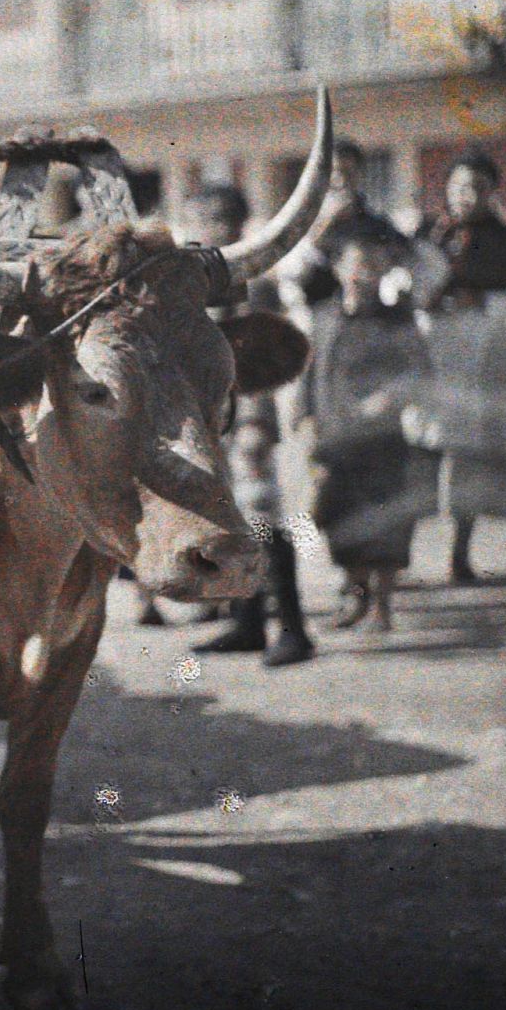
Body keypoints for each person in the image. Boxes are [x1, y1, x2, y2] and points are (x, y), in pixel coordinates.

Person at [175, 185, 317, 666]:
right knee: (229, 519)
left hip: (246, 418)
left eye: (211, 220)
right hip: (212, 420)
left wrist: (256, 426)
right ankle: (248, 621)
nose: (201, 230)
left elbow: (262, 359)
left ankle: (294, 629)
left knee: (262, 518)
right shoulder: (197, 280)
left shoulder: (255, 282)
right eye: (196, 219)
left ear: (234, 225)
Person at [416, 149, 506, 585]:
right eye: (459, 186)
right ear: (447, 189)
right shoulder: (427, 233)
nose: (467, 195)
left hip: (481, 351)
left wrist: (484, 300)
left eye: (478, 188)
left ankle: (458, 555)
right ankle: (397, 560)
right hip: (430, 348)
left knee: (468, 455)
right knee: (420, 449)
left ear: (490, 193)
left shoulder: (502, 238)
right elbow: (401, 278)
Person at [304, 237, 436, 635]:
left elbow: (421, 372)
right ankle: (355, 595)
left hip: (382, 439)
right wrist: (306, 416)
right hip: (335, 436)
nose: (363, 275)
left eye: (373, 267)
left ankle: (381, 606)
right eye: (356, 266)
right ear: (339, 270)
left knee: (385, 523)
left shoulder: (400, 320)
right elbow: (312, 372)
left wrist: (391, 397)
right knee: (334, 516)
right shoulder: (325, 317)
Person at [281, 139, 415, 310]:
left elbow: (405, 263)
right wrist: (323, 228)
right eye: (334, 172)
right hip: (317, 317)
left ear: (360, 175)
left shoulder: (378, 227)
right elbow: (290, 276)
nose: (340, 181)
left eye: (348, 173)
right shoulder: (299, 225)